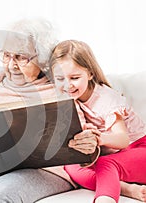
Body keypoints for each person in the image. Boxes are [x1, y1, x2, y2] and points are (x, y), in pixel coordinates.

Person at [0, 18, 99, 203]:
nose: (12, 65)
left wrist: (88, 145)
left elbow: (85, 142)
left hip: (44, 171)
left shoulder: (59, 89)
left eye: (21, 57)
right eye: (7, 55)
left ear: (43, 58)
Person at [50, 39, 146, 203]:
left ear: (90, 74)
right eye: (60, 78)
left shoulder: (105, 98)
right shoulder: (72, 100)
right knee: (72, 167)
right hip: (118, 157)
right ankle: (126, 188)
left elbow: (122, 139)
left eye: (74, 77)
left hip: (139, 148)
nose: (67, 85)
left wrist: (98, 138)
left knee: (105, 164)